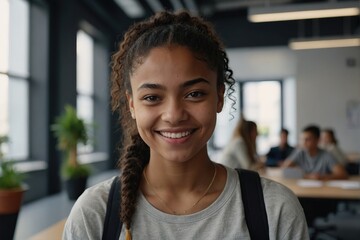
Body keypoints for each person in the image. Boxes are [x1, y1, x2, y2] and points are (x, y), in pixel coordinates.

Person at [63, 10, 308, 239]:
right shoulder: (95, 214)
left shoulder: (274, 209)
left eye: (194, 94)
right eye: (151, 97)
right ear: (132, 105)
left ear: (219, 97)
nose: (174, 114)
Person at [282, 125, 348, 180]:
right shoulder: (300, 152)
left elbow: (342, 174)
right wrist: (307, 176)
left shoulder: (326, 155)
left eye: (307, 139)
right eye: (302, 139)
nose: (303, 142)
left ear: (317, 140)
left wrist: (321, 177)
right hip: (303, 188)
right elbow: (285, 168)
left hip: (322, 190)